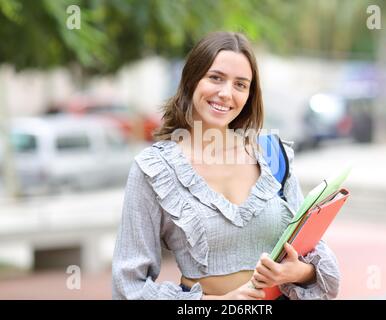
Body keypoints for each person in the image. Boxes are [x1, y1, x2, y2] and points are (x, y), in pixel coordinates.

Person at [112, 31, 340, 300]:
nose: (226, 93)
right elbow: (129, 287)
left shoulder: (272, 155)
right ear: (191, 80)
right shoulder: (154, 169)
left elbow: (315, 256)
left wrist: (295, 273)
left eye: (241, 84)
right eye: (216, 78)